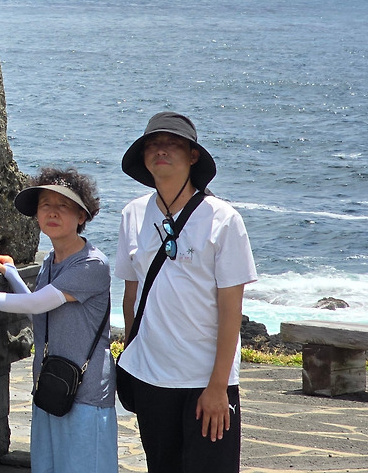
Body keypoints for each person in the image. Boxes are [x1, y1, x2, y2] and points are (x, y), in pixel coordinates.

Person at [0, 167, 116, 473]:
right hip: (52, 388)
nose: (52, 212)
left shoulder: (92, 264)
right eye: (45, 205)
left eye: (63, 205)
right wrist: (12, 274)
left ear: (82, 215)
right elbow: (41, 312)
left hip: (86, 395)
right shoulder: (52, 260)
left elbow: (38, 303)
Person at [114, 112, 257, 472]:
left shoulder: (223, 219)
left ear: (193, 155)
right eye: (152, 144)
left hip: (205, 380)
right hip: (150, 375)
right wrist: (131, 352)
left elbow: (231, 308)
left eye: (172, 143)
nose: (161, 150)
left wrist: (218, 387)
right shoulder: (133, 214)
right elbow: (131, 295)